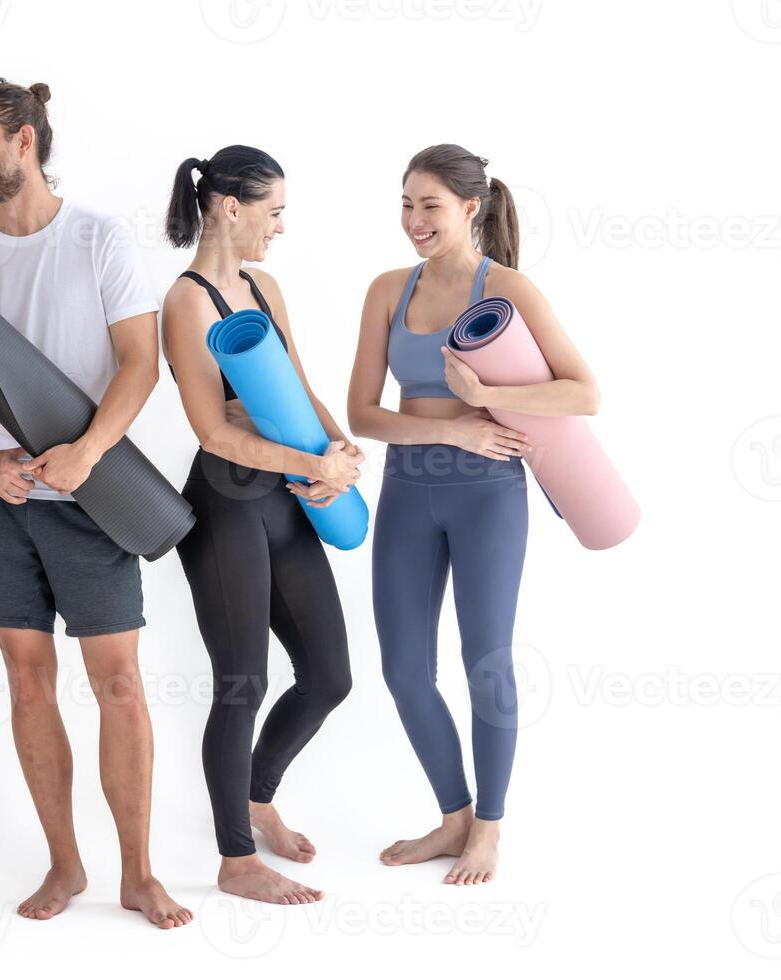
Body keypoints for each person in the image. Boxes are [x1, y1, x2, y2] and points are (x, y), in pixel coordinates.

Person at [0, 79, 191, 929]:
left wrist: (89, 451)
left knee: (118, 684)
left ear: (26, 141)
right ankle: (65, 865)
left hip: (91, 494)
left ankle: (140, 874)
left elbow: (138, 362)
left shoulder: (97, 237)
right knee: (28, 683)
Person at [347, 144, 601, 885]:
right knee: (402, 670)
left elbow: (585, 392)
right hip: (407, 490)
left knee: (485, 662)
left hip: (488, 494)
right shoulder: (387, 290)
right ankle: (453, 816)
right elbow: (364, 413)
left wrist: (490, 397)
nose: (414, 219)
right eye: (405, 203)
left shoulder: (511, 289)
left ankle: (488, 829)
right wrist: (452, 424)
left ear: (469, 207)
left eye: (429, 204)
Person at [160, 145, 361, 905]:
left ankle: (256, 795)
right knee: (241, 683)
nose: (280, 226)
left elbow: (300, 390)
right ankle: (235, 861)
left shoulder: (264, 287)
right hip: (225, 506)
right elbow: (213, 430)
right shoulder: (185, 303)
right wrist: (306, 464)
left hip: (286, 497)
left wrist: (335, 450)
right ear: (229, 207)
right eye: (272, 211)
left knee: (329, 675)